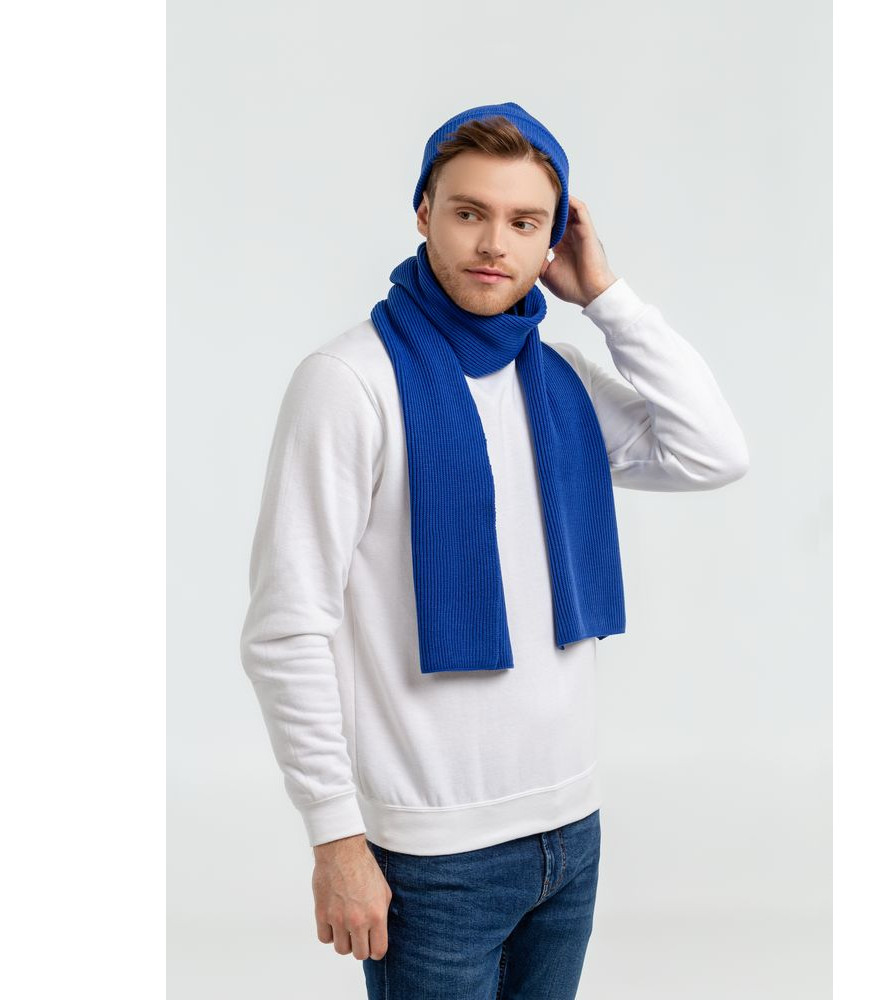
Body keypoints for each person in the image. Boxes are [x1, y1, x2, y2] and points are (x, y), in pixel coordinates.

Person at [239, 101, 749, 999]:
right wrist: (335, 837)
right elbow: (287, 629)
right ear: (424, 212)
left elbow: (713, 451)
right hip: (432, 855)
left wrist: (609, 299)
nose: (492, 244)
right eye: (469, 212)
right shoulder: (349, 383)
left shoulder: (559, 379)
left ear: (554, 240)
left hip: (570, 830)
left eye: (524, 222)